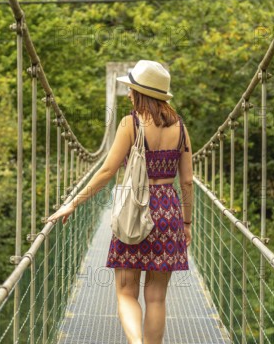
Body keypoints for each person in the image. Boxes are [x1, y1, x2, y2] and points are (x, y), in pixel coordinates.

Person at [46, 59, 193, 344]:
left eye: (132, 89)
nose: (128, 94)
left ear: (141, 93)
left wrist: (73, 203)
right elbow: (186, 181)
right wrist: (186, 223)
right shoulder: (181, 128)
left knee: (126, 293)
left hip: (133, 211)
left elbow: (107, 171)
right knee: (156, 298)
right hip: (168, 212)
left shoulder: (130, 123)